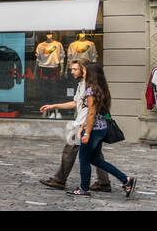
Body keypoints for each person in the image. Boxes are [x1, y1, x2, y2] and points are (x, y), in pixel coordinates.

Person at [39, 59, 110, 191]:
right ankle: (104, 182)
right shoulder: (82, 84)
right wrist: (54, 106)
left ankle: (59, 180)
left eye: (75, 69)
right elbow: (75, 103)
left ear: (84, 69)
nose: (71, 71)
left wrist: (85, 127)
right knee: (96, 154)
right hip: (84, 123)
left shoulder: (88, 86)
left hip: (82, 124)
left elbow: (92, 109)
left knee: (69, 151)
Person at [71, 62, 136, 198]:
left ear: (91, 74)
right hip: (101, 129)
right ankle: (126, 180)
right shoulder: (103, 90)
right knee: (96, 159)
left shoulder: (90, 90)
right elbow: (105, 113)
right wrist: (101, 125)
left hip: (93, 130)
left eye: (86, 72)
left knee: (83, 159)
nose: (84, 74)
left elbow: (91, 114)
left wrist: (87, 132)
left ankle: (84, 188)